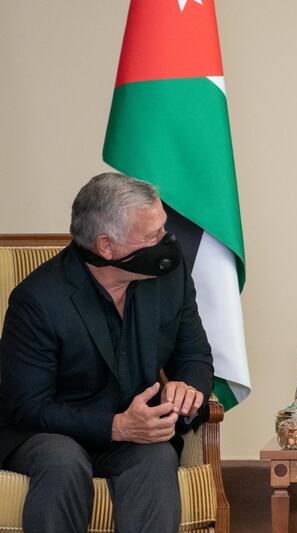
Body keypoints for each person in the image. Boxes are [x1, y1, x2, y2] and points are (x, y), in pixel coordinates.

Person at [0, 172, 214, 533]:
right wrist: (115, 426)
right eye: (152, 237)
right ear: (106, 247)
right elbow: (29, 407)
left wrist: (187, 386)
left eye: (163, 229)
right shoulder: (37, 300)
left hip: (135, 433)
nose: (167, 243)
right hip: (49, 435)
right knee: (63, 462)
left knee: (157, 455)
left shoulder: (169, 279)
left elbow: (195, 356)